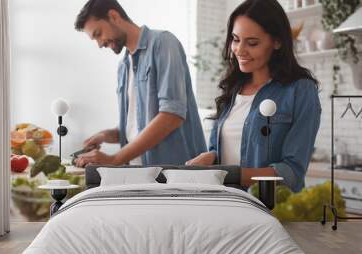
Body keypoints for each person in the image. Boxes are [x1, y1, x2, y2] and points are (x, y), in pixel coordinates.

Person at [186, 0, 321, 193]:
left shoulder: (300, 90)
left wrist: (229, 173)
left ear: (277, 42)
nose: (240, 50)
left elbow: (292, 173)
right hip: (227, 204)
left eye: (252, 43)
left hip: (269, 211)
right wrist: (211, 157)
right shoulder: (232, 89)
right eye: (235, 39)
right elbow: (226, 148)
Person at [73, 0, 206, 167]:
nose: (100, 44)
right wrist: (106, 135)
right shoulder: (124, 66)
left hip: (175, 175)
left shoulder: (163, 43)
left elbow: (172, 116)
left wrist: (115, 159)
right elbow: (135, 127)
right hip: (139, 173)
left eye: (98, 34)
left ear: (113, 16)